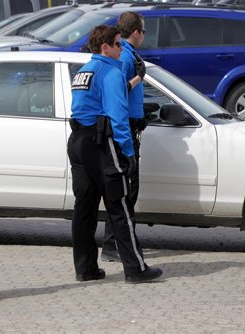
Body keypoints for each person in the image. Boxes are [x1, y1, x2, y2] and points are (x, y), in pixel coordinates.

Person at [68, 25, 162, 283]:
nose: (122, 49)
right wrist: (128, 152)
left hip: (78, 141)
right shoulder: (109, 72)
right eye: (118, 44)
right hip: (101, 142)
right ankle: (135, 269)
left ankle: (86, 268)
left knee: (84, 207)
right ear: (105, 47)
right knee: (120, 205)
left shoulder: (85, 70)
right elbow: (118, 115)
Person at [101, 12, 147, 262]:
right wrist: (139, 77)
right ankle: (114, 244)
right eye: (144, 31)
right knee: (127, 189)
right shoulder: (126, 56)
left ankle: (117, 242)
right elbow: (118, 90)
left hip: (131, 125)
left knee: (127, 189)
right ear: (136, 32)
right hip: (125, 129)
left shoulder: (128, 55)